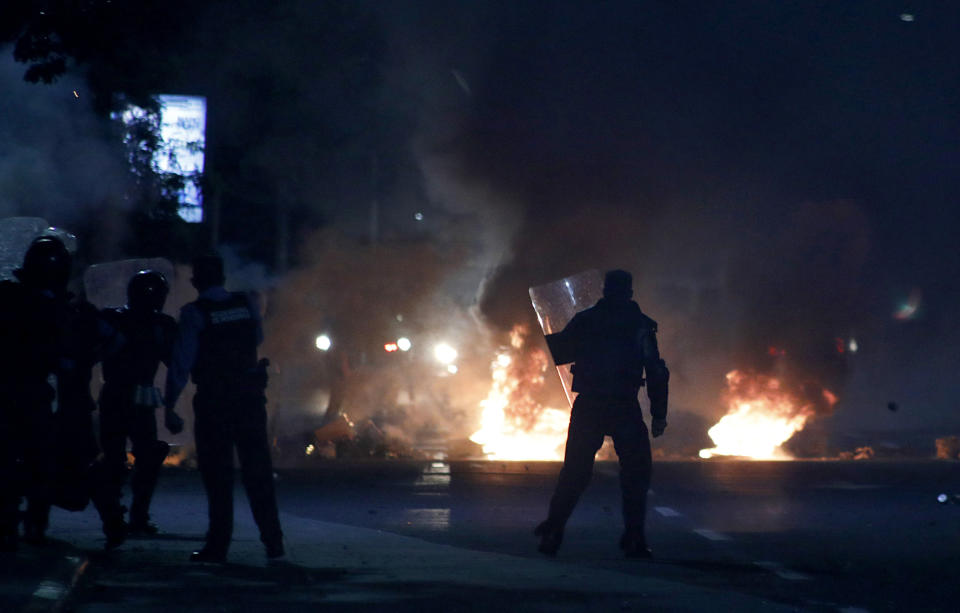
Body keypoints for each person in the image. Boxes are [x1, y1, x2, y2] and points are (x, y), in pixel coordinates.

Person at [534, 269, 669, 558]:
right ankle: (634, 538)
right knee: (636, 473)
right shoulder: (640, 326)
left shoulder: (586, 320)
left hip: (590, 406)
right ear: (630, 292)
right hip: (623, 405)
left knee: (575, 471)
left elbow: (561, 352)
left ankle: (554, 529)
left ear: (605, 291)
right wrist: (659, 414)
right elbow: (656, 372)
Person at [164, 254, 283, 562]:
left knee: (218, 476)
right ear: (222, 278)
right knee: (258, 472)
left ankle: (218, 546)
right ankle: (274, 542)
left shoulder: (194, 313)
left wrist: (169, 407)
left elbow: (181, 365)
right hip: (249, 399)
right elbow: (256, 339)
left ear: (195, 282)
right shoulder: (246, 304)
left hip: (215, 402)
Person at [98, 270, 178, 536]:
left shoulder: (153, 324)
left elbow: (173, 360)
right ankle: (121, 516)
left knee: (142, 455)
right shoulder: (116, 319)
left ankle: (129, 516)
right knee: (120, 458)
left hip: (131, 394)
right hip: (121, 393)